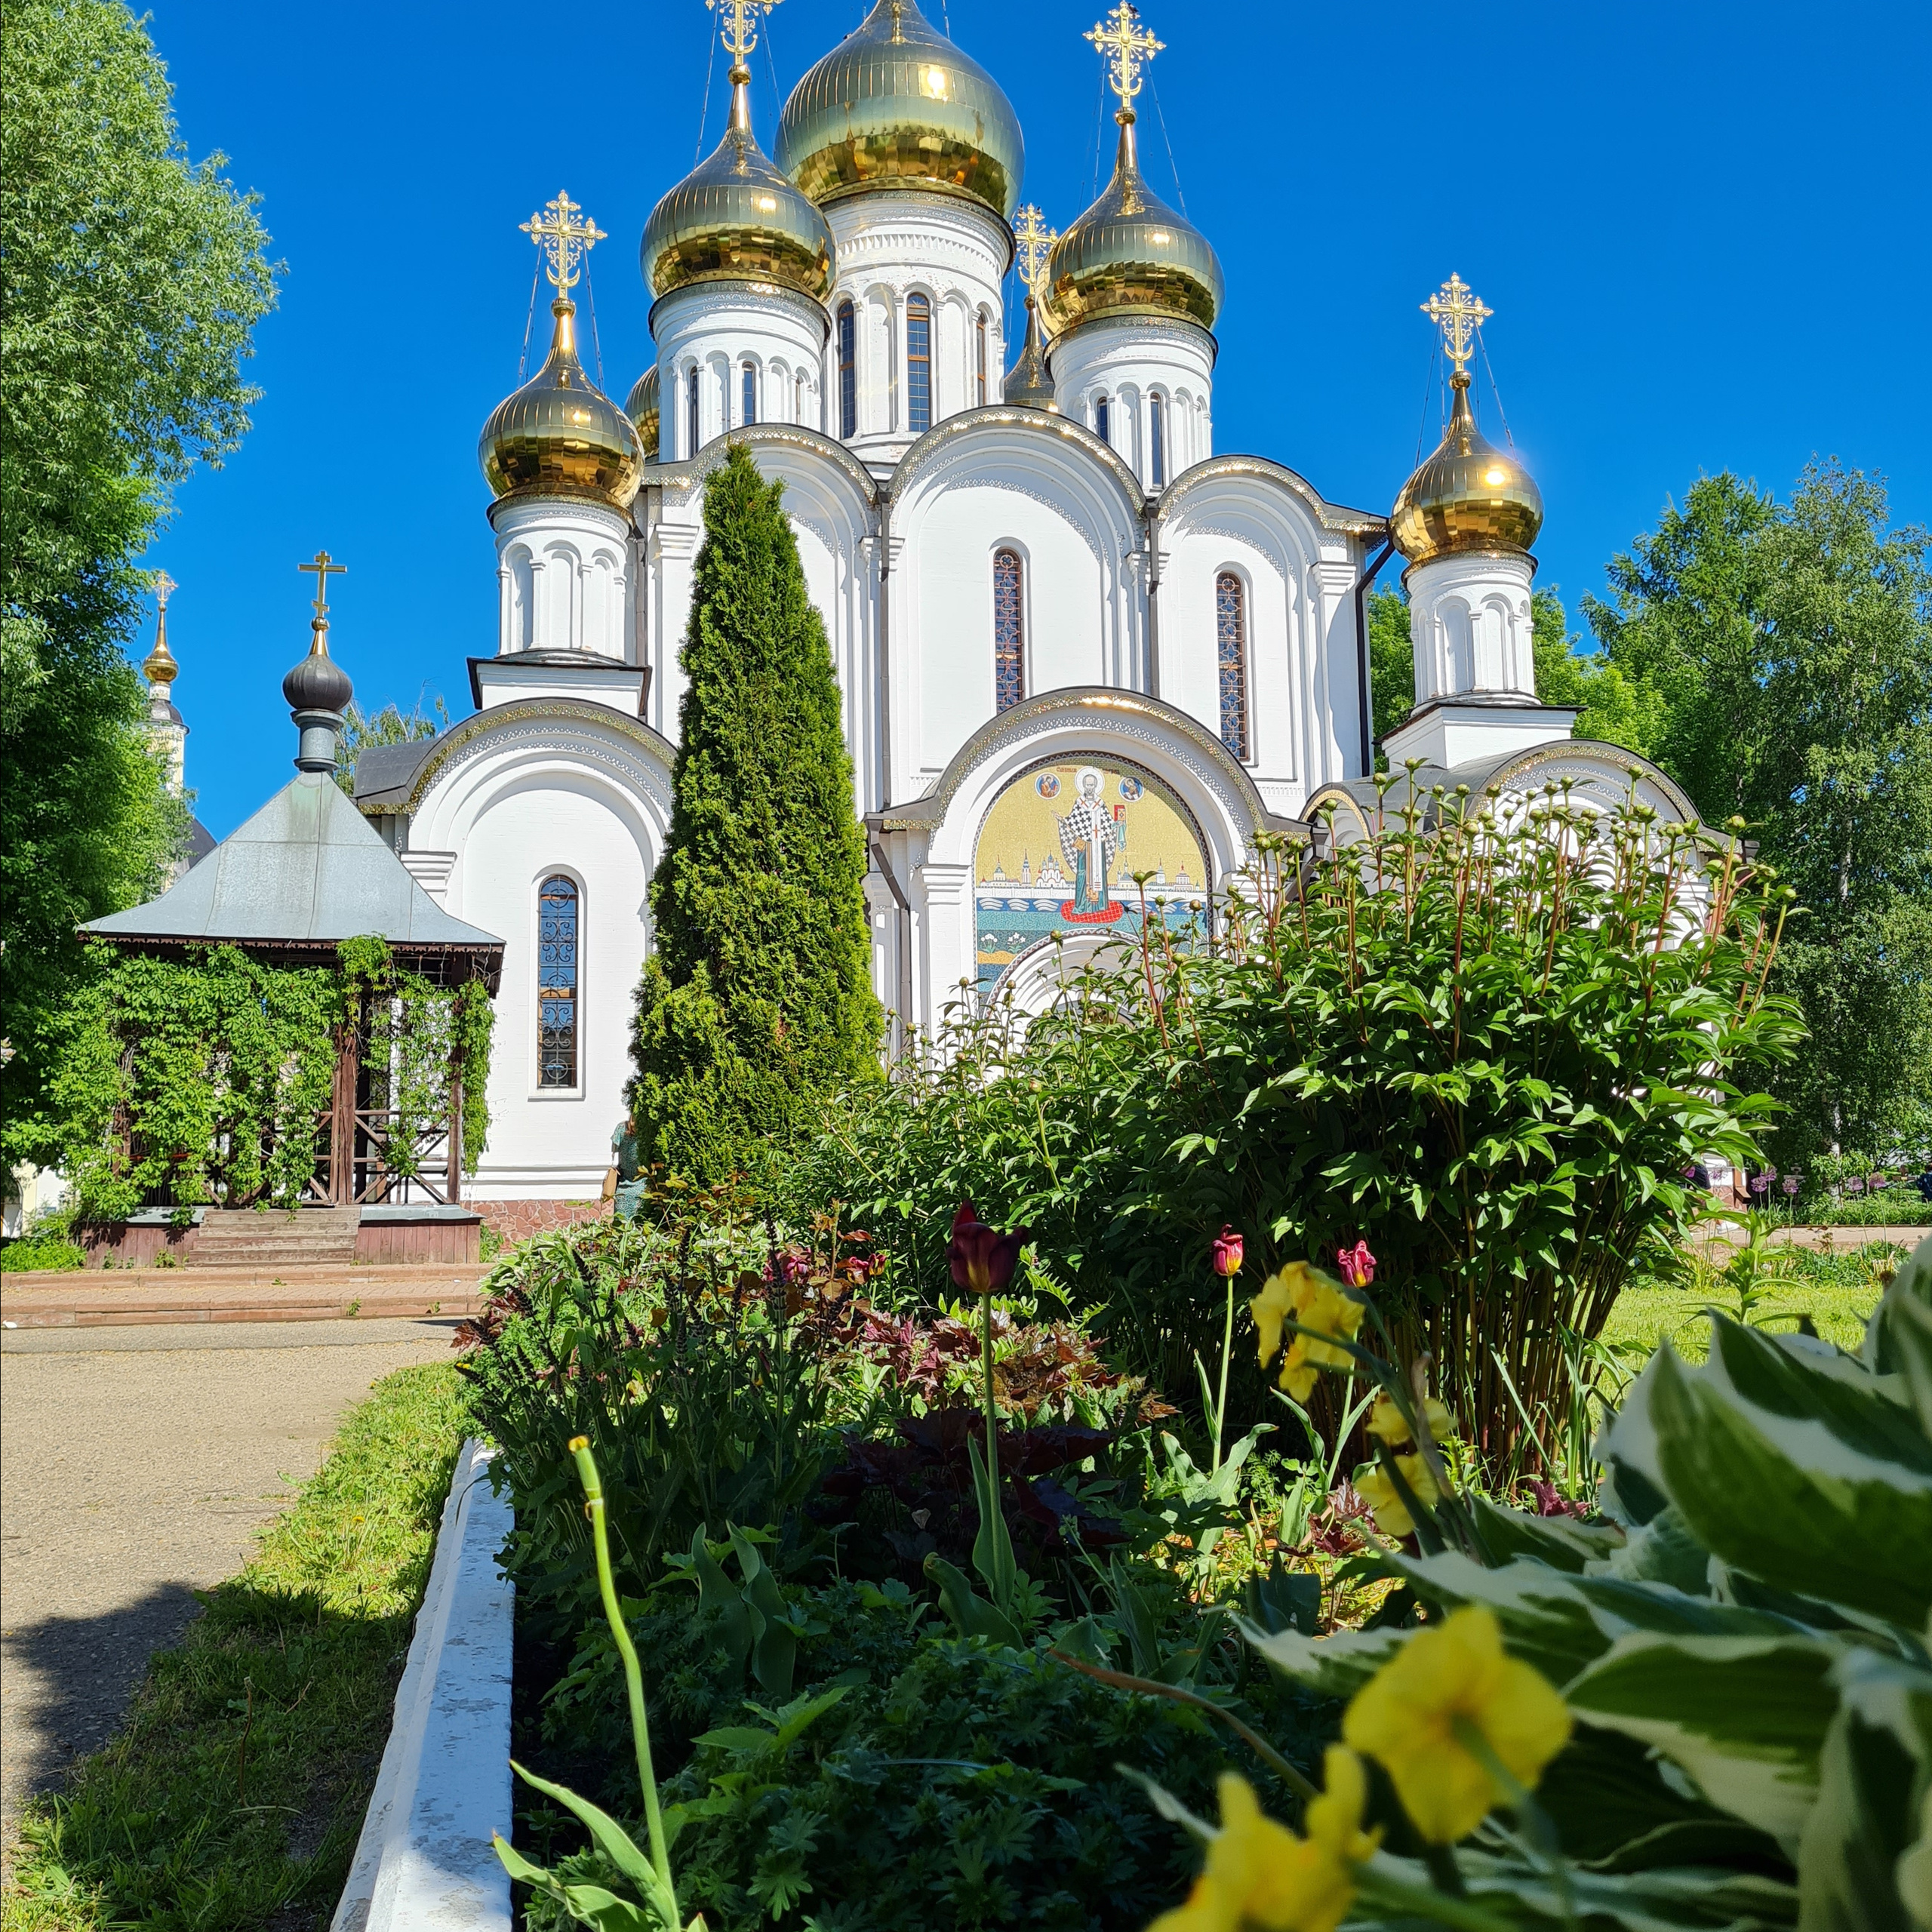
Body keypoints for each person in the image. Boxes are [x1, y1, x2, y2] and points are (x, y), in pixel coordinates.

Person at [608, 1111, 644, 1221]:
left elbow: (614, 1150)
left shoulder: (621, 1128)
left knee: (621, 1224)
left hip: (625, 1186)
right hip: (642, 1185)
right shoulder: (647, 1131)